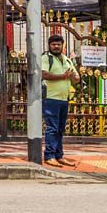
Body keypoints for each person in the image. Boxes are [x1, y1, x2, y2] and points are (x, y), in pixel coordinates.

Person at [41, 34, 79, 168]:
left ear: (62, 45)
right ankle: (49, 156)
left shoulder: (67, 60)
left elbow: (77, 78)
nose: (56, 47)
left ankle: (59, 155)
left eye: (58, 44)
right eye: (53, 44)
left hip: (64, 98)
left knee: (60, 129)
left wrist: (73, 76)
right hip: (51, 98)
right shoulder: (46, 58)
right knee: (52, 128)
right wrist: (63, 76)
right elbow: (44, 74)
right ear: (49, 45)